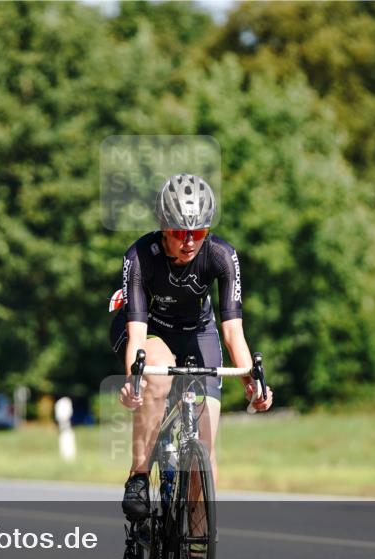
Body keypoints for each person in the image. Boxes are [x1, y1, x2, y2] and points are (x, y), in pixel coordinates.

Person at [110, 173, 273, 522]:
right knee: (157, 376)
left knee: (206, 458)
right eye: (179, 232)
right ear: (163, 228)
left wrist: (251, 382)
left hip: (198, 333)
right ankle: (139, 476)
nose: (188, 242)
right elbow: (136, 335)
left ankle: (198, 547)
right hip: (149, 329)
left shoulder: (222, 255)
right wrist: (134, 383)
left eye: (198, 233)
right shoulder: (140, 256)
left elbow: (233, 332)